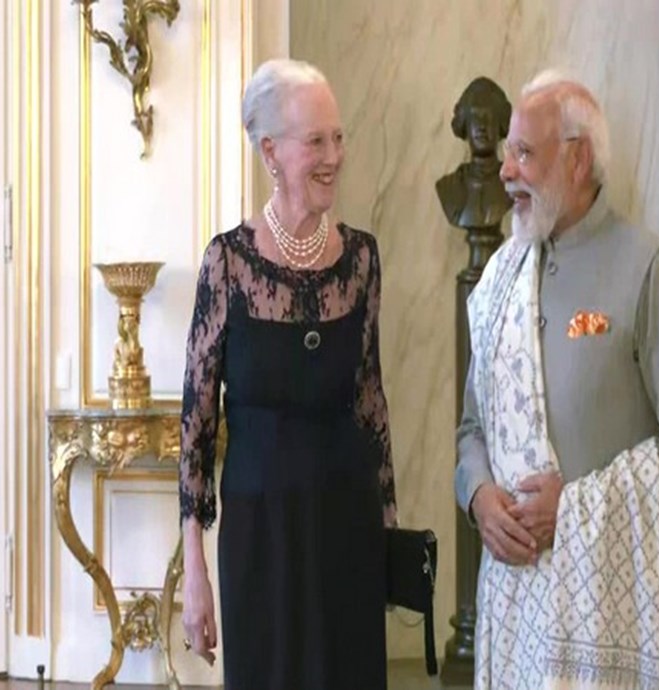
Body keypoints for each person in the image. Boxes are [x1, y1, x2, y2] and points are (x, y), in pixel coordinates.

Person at [454, 70, 659, 690]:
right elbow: (471, 428)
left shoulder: (648, 267)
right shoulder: (499, 279)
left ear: (577, 159)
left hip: (608, 628)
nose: (505, 169)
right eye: (509, 151)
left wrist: (574, 510)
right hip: (513, 616)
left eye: (525, 152)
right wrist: (479, 499)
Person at [178, 58, 397, 690]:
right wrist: (195, 572)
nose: (334, 155)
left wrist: (386, 538)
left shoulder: (361, 259)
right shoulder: (227, 263)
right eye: (316, 140)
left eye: (339, 136)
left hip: (346, 527)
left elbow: (372, 404)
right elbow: (195, 427)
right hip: (260, 539)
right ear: (270, 151)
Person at [435, 76, 513, 230]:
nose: (482, 127)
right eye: (476, 118)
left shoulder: (512, 184)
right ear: (465, 124)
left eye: (488, 118)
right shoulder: (449, 187)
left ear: (500, 125)